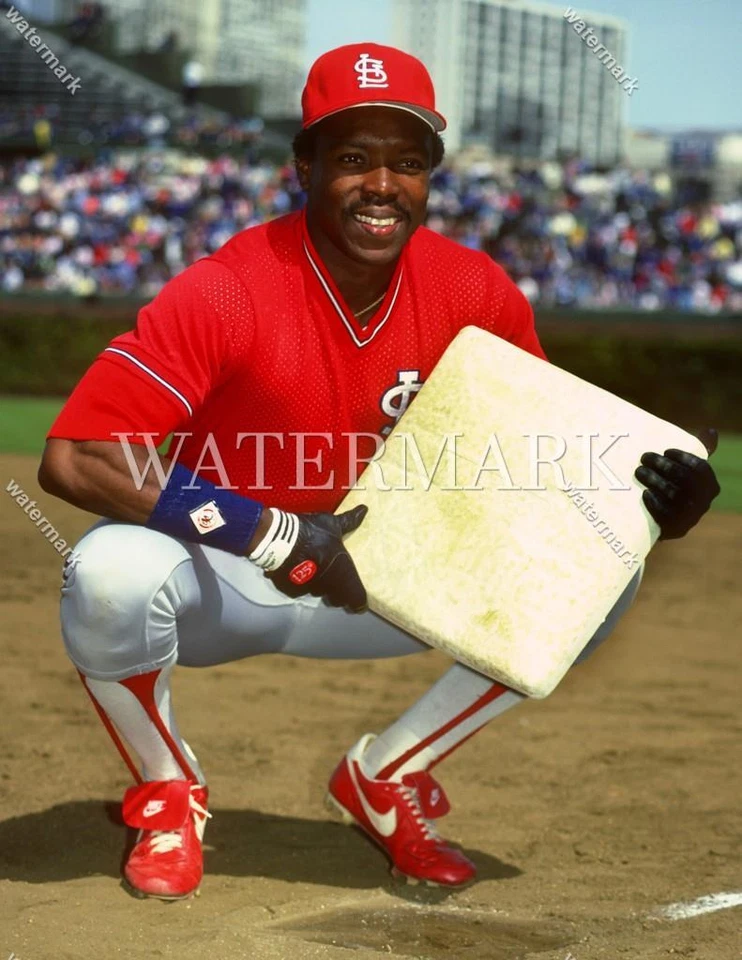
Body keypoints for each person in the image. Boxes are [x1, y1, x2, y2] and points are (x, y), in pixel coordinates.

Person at [38, 43, 721, 901]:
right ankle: (169, 791)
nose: (381, 184)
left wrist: (659, 500)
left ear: (430, 175)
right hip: (233, 574)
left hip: (384, 579)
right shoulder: (227, 289)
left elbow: (539, 471)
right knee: (107, 573)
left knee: (603, 576)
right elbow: (80, 456)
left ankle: (386, 775)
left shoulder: (474, 291)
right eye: (352, 158)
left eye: (406, 161)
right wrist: (267, 531)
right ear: (304, 167)